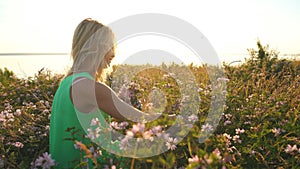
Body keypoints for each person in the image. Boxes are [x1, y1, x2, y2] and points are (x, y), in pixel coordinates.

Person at [49, 18, 153, 169]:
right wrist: (177, 120)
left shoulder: (66, 83)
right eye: (110, 46)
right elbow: (140, 119)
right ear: (97, 48)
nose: (114, 53)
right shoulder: (90, 87)